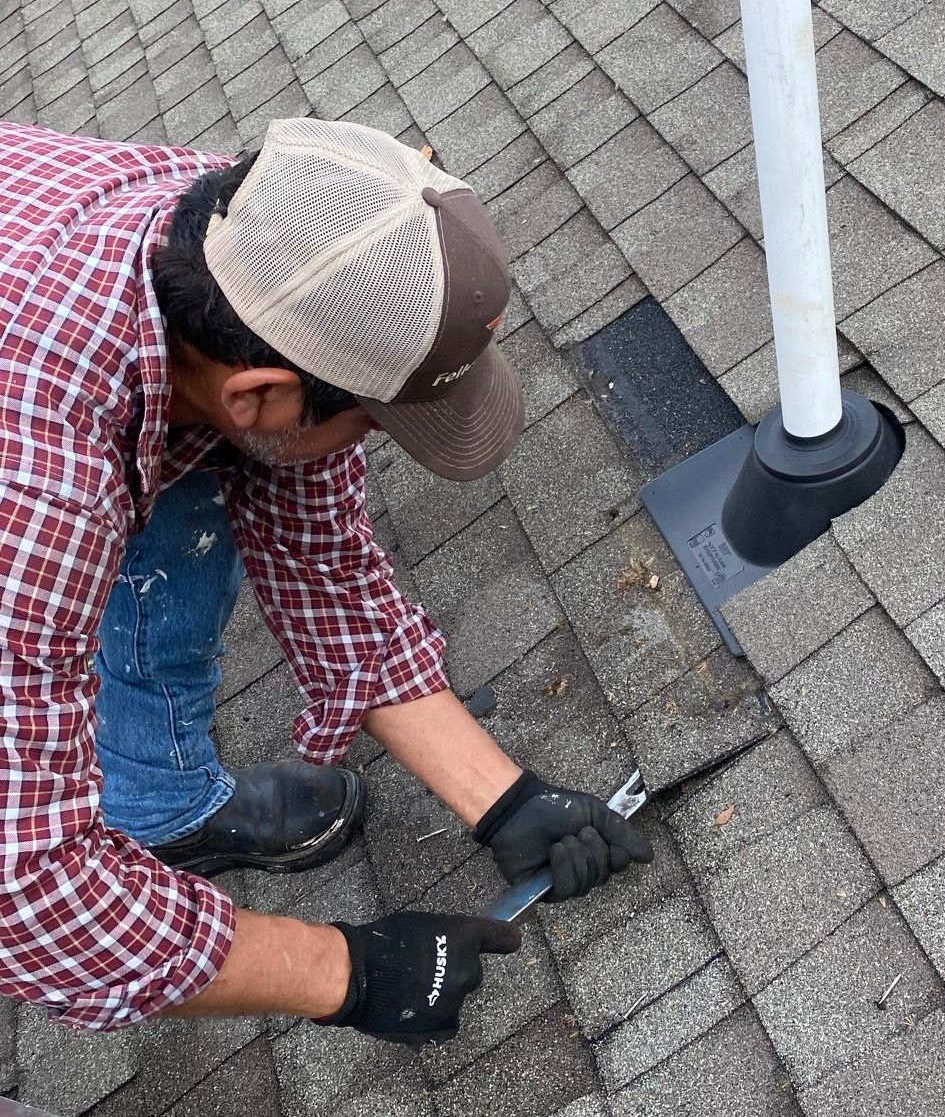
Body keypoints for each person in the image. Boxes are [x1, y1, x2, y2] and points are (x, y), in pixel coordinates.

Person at [0, 115, 651, 1047]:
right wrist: (344, 969)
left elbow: (324, 562)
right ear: (257, 391)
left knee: (217, 477)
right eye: (378, 426)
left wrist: (503, 799)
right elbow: (25, 888)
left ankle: (142, 789)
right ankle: (152, 809)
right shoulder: (40, 488)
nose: (372, 448)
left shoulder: (262, 240)